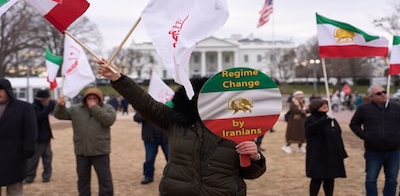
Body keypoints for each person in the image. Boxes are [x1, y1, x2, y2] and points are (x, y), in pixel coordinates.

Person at [97, 60, 266, 196]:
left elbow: (250, 173)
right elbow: (145, 103)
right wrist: (118, 78)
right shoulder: (176, 120)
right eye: (200, 97)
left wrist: (255, 157)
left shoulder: (238, 127)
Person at [53, 88, 117, 196]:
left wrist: (95, 108)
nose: (91, 100)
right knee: (83, 180)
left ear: (100, 99)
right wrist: (60, 105)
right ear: (84, 99)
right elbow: (60, 115)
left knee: (105, 180)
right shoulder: (76, 109)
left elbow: (109, 120)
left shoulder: (107, 108)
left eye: (94, 98)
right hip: (82, 151)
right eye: (89, 98)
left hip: (100, 151)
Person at [349, 85, 400, 196]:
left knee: (392, 179)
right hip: (373, 151)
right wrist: (365, 136)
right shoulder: (364, 109)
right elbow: (354, 124)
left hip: (394, 151)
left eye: (384, 92)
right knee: (371, 179)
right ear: (371, 97)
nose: (383, 94)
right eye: (378, 93)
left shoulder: (396, 108)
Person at [0, 78, 37, 196]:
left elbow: (31, 131)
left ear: (8, 91)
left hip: (15, 157)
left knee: (14, 190)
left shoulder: (24, 108)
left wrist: (28, 150)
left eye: (0, 90)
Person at [305, 99, 347, 196]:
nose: (326, 108)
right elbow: (310, 130)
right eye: (323, 106)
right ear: (316, 107)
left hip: (331, 153)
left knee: (330, 178)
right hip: (318, 154)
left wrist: (341, 152)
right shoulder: (311, 119)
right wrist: (325, 120)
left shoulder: (332, 120)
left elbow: (338, 134)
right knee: (317, 178)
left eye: (327, 106)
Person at [24, 89, 56, 184]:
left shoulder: (43, 107)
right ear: (41, 99)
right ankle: (29, 177)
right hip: (37, 139)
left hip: (46, 138)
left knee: (48, 158)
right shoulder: (33, 108)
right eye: (47, 99)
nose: (48, 100)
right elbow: (38, 118)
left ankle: (46, 176)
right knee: (34, 159)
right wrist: (49, 108)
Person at [133, 112, 168, 184]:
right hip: (150, 138)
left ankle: (172, 176)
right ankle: (148, 176)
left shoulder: (168, 103)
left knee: (171, 158)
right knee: (149, 159)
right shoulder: (146, 105)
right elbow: (136, 117)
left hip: (166, 137)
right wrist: (148, 114)